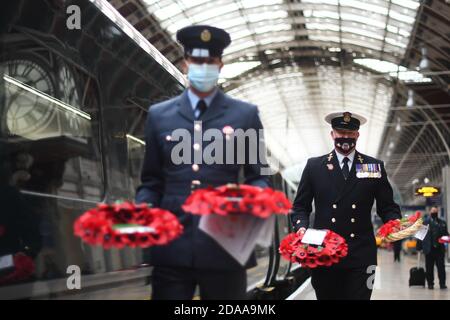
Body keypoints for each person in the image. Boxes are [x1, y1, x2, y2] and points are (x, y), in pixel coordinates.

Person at [135, 25, 270, 300]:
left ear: (220, 64)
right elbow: (151, 180)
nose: (203, 67)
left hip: (226, 246)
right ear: (186, 63)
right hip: (171, 246)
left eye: (209, 61)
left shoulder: (245, 115)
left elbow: (258, 175)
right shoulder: (159, 116)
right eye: (197, 60)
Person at [290, 111, 402, 300]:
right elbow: (300, 206)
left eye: (350, 133)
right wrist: (301, 228)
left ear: (358, 135)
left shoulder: (373, 166)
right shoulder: (314, 166)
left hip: (361, 254)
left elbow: (387, 206)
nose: (345, 137)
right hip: (323, 252)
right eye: (340, 132)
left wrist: (394, 222)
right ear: (332, 134)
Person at [418, 206, 448, 289]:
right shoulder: (425, 223)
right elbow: (421, 235)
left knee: (441, 267)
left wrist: (447, 238)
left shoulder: (442, 223)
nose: (434, 212)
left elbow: (446, 234)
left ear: (437, 212)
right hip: (429, 249)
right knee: (429, 268)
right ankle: (430, 284)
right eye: (433, 211)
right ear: (430, 212)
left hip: (439, 249)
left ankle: (442, 284)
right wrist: (419, 247)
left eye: (436, 211)